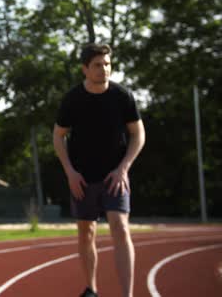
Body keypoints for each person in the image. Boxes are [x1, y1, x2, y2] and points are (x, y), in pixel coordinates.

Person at [53, 43, 145, 297]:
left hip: (115, 176)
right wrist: (70, 171)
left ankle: (127, 294)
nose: (104, 69)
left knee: (120, 226)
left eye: (107, 64)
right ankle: (91, 289)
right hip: (83, 177)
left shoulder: (122, 96)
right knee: (87, 231)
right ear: (85, 69)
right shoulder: (73, 99)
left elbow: (138, 134)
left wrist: (123, 168)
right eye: (97, 65)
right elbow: (58, 136)